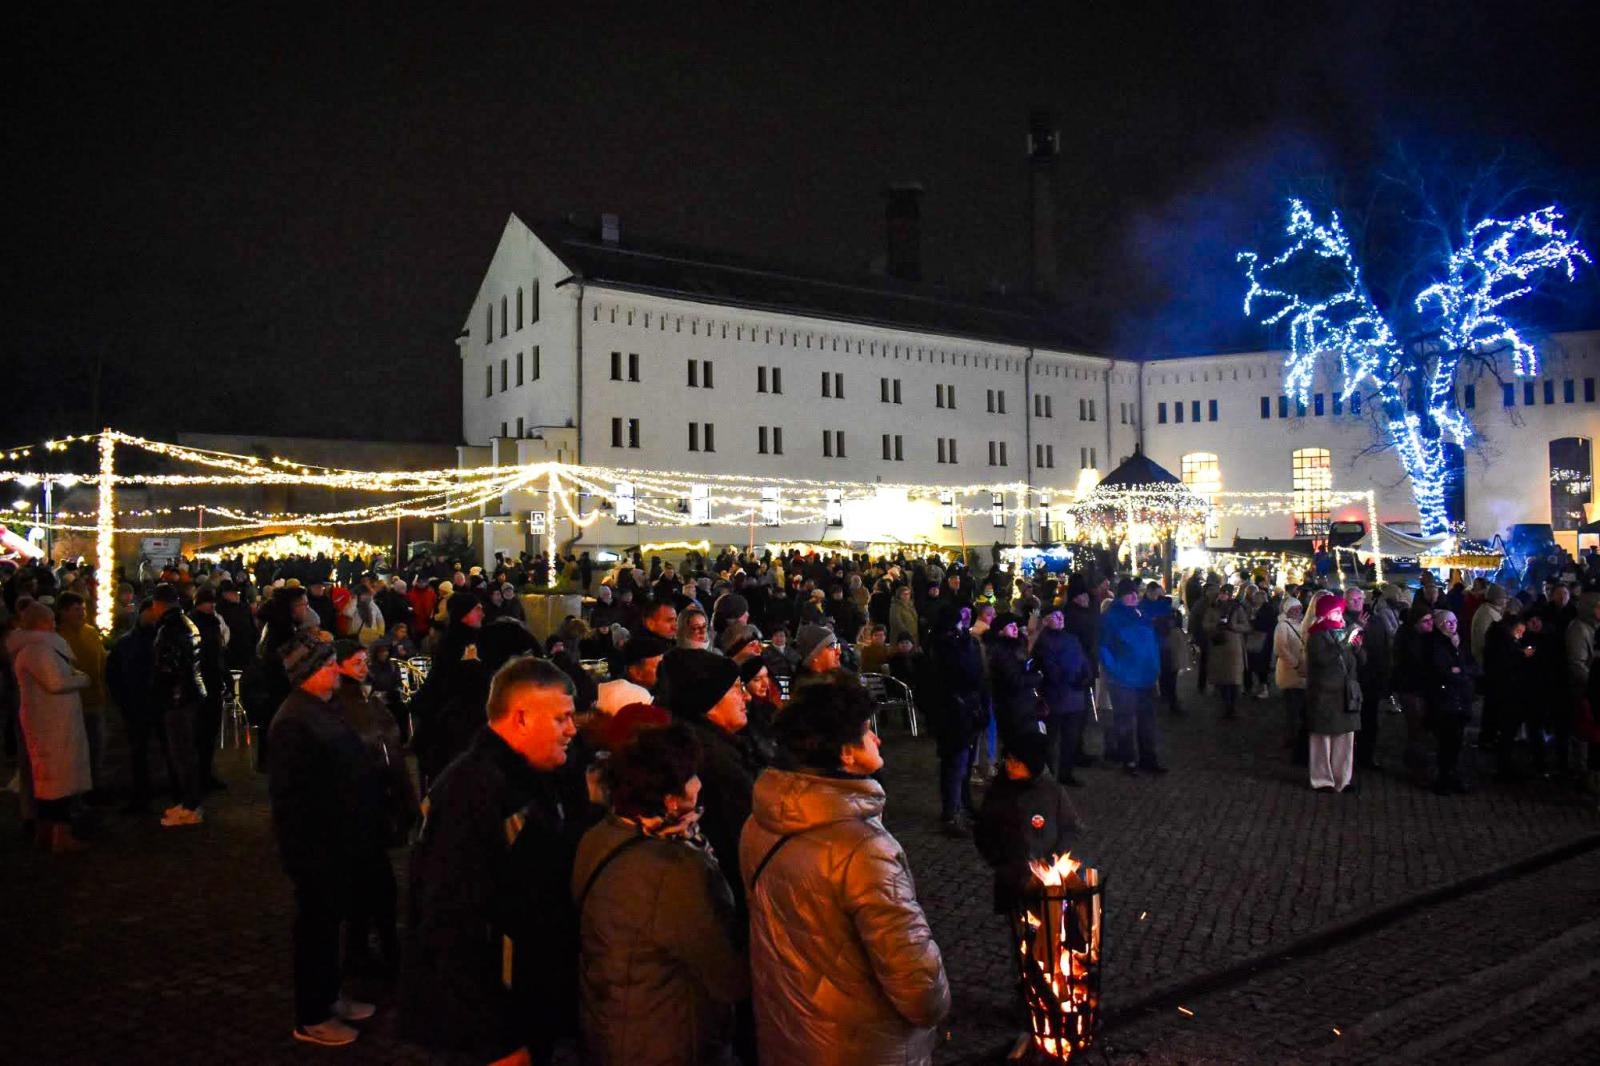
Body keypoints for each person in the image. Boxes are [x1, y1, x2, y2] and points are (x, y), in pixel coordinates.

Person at [741, 681, 950, 1065]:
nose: (878, 740)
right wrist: (936, 1005)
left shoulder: (761, 821)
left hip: (791, 1024)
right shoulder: (863, 849)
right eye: (868, 732)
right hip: (860, 1042)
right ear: (846, 755)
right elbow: (918, 985)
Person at [401, 657, 583, 1065]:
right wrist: (494, 1038)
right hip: (496, 1019)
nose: (572, 730)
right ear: (520, 718)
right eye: (562, 719)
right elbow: (449, 921)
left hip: (525, 995)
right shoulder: (475, 792)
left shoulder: (526, 778)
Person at [571, 724, 749, 1066]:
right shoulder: (675, 870)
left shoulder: (599, 836)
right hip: (668, 1038)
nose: (699, 784)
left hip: (613, 1024)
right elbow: (729, 977)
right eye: (692, 777)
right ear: (670, 800)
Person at [267, 631, 383, 1046]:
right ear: (308, 673)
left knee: (329, 924)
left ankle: (330, 996)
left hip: (337, 841)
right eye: (328, 664)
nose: (337, 669)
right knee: (315, 929)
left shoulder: (319, 709)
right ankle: (312, 1014)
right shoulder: (296, 722)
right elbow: (295, 800)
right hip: (317, 848)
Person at [330, 640, 418, 978]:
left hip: (379, 803)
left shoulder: (368, 699)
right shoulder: (339, 706)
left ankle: (379, 948)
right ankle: (364, 954)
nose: (364, 666)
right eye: (356, 662)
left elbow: (391, 751)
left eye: (364, 660)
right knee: (367, 887)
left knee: (379, 885)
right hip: (361, 807)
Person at [657, 649, 764, 916]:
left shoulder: (712, 747)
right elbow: (737, 843)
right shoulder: (715, 764)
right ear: (710, 701)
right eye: (737, 688)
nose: (747, 696)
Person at [973, 728, 1082, 937]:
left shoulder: (1052, 792)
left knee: (1051, 934)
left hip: (1046, 882)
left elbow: (1071, 827)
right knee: (1020, 934)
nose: (1010, 766)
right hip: (1012, 878)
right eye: (1008, 760)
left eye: (1017, 762)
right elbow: (983, 830)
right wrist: (998, 861)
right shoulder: (999, 791)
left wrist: (1055, 856)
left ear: (1031, 764)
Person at [10, 601, 93, 852]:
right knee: (58, 779)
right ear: (43, 623)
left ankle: (45, 830)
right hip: (53, 724)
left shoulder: (35, 649)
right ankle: (60, 833)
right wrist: (81, 679)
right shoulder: (39, 650)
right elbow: (55, 683)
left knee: (49, 779)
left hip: (51, 721)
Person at [924, 615, 988, 836]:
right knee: (955, 765)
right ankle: (952, 813)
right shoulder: (945, 653)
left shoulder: (956, 649)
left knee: (960, 765)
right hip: (954, 715)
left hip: (964, 713)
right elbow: (966, 675)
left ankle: (960, 807)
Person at [150, 584, 208, 826]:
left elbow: (169, 667)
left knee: (182, 753)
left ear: (158, 604)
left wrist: (161, 690)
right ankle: (188, 802)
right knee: (187, 753)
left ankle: (190, 806)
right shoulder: (187, 624)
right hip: (191, 692)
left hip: (179, 697)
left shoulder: (170, 629)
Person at [1099, 578, 1165, 775]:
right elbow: (1103, 647)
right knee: (1125, 721)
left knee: (1148, 721)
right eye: (1130, 593)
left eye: (1136, 593)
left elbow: (1151, 642)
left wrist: (1155, 666)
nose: (1135, 596)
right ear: (1121, 596)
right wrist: (1117, 670)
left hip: (1146, 677)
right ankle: (1128, 760)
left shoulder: (1140, 613)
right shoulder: (1111, 617)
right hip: (1124, 680)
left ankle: (1148, 758)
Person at [53, 591, 109, 799]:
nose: (82, 613)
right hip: (73, 703)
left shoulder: (90, 632)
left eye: (83, 609)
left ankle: (95, 787)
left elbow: (102, 660)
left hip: (95, 700)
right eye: (77, 610)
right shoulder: (58, 637)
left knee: (96, 746)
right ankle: (76, 792)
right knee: (75, 751)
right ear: (64, 612)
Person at [1305, 594, 1362, 794]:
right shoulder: (1316, 636)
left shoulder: (1342, 633)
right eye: (1336, 612)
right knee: (1322, 739)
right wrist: (1344, 643)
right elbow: (1322, 660)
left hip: (1345, 693)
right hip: (1324, 693)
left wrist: (1357, 648)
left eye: (1340, 612)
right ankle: (1322, 779)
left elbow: (1357, 663)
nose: (1340, 616)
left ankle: (1343, 778)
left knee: (1344, 739)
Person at [1421, 609, 1479, 795]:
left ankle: (1453, 776)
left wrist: (1460, 671)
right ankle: (1443, 779)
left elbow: (1473, 667)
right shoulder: (1435, 644)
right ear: (1439, 625)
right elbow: (1441, 671)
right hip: (1445, 701)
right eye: (1447, 622)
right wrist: (1458, 672)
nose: (1452, 625)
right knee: (1446, 742)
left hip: (1461, 699)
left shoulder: (1461, 643)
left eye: (1454, 621)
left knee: (1457, 742)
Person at [1033, 606, 1091, 787]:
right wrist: (1068, 680)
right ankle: (1049, 775)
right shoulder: (1044, 642)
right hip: (1056, 697)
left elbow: (1083, 660)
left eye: (1061, 615)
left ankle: (1066, 773)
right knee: (1051, 740)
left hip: (1074, 696)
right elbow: (1050, 668)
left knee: (1071, 739)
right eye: (1055, 616)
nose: (1060, 618)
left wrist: (1085, 677)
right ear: (1046, 620)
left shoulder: (1072, 639)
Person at [1274, 599, 1308, 765]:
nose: (1298, 611)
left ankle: (1298, 736)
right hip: (1291, 672)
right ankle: (1292, 736)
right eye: (1294, 609)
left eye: (1299, 608)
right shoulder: (1282, 626)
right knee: (1292, 707)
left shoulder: (1304, 623)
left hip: (1304, 672)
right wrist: (1295, 663)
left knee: (1301, 707)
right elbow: (1281, 648)